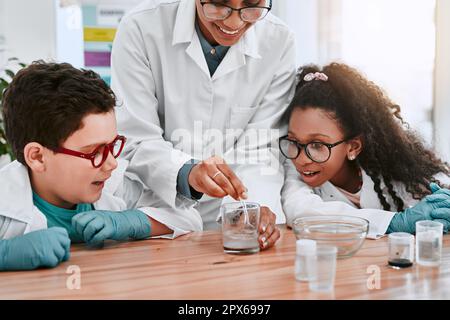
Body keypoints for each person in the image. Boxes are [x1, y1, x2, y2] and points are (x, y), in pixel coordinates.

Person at [110, 0, 297, 249]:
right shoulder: (141, 27)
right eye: (220, 4)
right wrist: (187, 172)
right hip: (158, 220)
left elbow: (262, 146)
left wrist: (253, 208)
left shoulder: (279, 41)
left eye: (252, 5)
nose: (234, 22)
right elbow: (135, 137)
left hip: (233, 228)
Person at [0, 61, 200, 271]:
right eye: (94, 152)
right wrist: (5, 254)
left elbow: (190, 218)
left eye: (112, 145)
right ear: (38, 157)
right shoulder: (6, 198)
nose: (112, 163)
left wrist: (131, 222)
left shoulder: (114, 186)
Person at [280, 63, 450, 238]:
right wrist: (394, 223)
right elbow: (299, 211)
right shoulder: (293, 168)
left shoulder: (388, 165)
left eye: (317, 145)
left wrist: (442, 203)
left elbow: (435, 184)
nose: (301, 159)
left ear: (353, 147)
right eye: (294, 141)